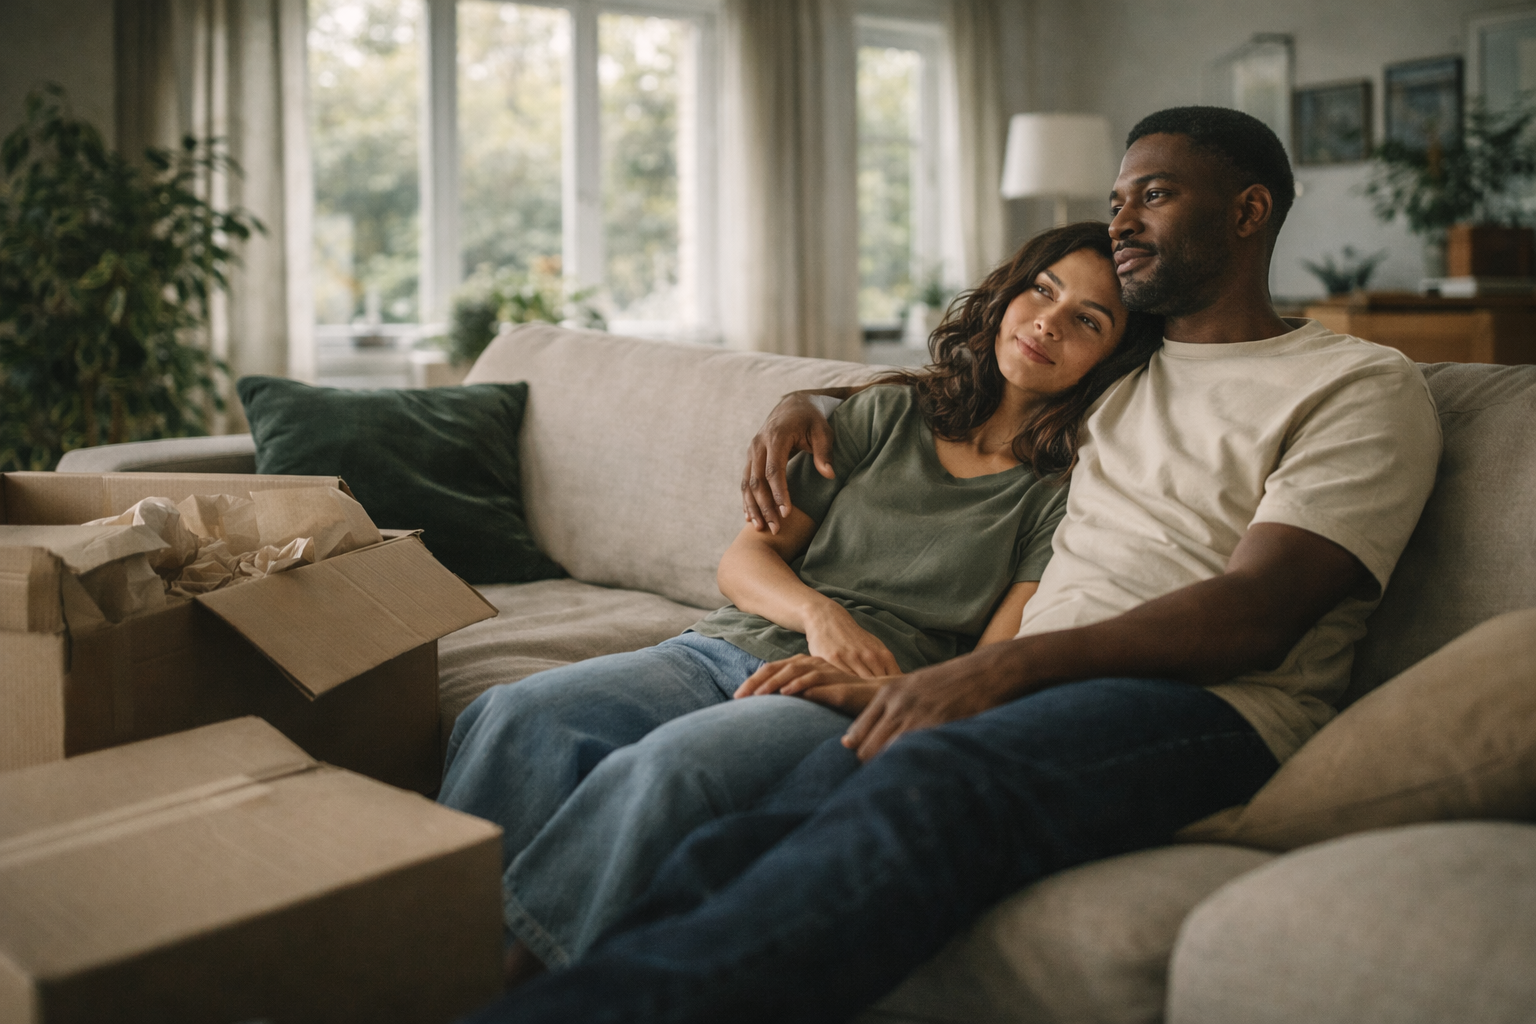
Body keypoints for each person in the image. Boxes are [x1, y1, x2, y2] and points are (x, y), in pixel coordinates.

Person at [460, 105, 1444, 1024]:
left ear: (1248, 210)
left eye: (1153, 193)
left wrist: (991, 670)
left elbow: (1258, 613)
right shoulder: (1122, 381)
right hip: (1022, 688)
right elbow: (959, 395)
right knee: (749, 831)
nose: (1122, 220)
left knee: (929, 780)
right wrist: (800, 406)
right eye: (1115, 200)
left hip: (1210, 704)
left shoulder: (1355, 384)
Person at [437, 221, 1165, 975]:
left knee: (663, 774)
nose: (1048, 321)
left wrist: (873, 682)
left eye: (1087, 319)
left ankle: (526, 992)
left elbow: (991, 664)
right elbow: (746, 557)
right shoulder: (889, 414)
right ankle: (429, 959)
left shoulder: (1060, 492)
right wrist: (822, 615)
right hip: (723, 646)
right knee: (512, 713)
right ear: (1009, 293)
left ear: (1113, 358)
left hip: (846, 695)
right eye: (1042, 290)